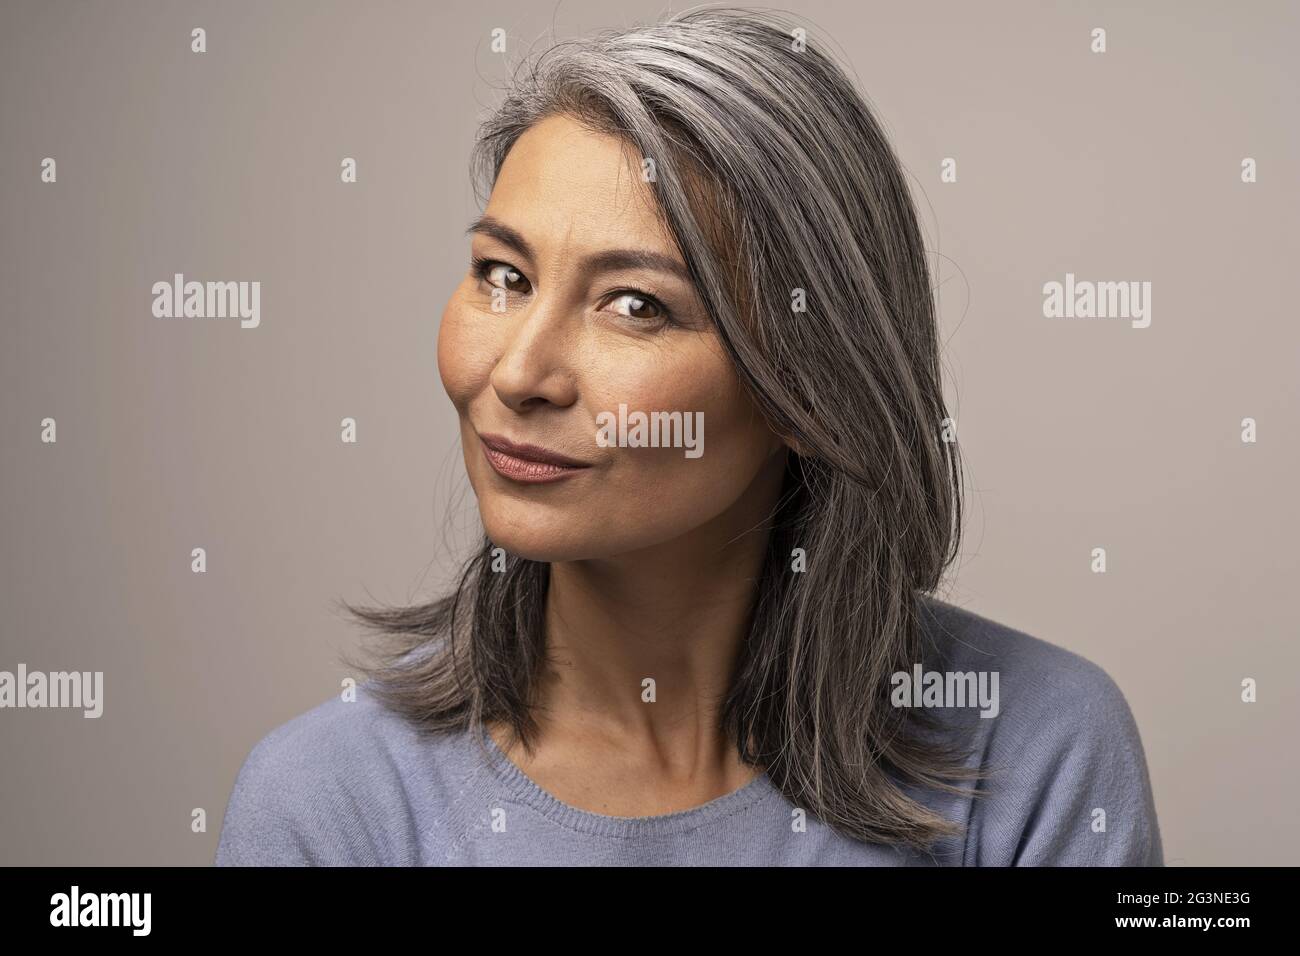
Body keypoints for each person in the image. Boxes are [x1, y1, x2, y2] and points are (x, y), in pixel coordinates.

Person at [215, 6, 1162, 866]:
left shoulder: (1037, 747)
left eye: (635, 305)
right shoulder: (326, 805)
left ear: (807, 385)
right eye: (503, 275)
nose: (517, 374)